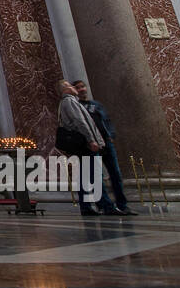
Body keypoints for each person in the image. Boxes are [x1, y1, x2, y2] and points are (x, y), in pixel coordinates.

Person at [74, 79, 136, 216]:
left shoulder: (96, 105)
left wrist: (111, 136)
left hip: (106, 143)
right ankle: (105, 205)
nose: (82, 89)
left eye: (82, 86)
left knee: (116, 174)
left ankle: (122, 205)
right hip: (89, 145)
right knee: (96, 176)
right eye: (78, 88)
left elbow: (107, 120)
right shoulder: (75, 106)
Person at [57, 80, 105, 216]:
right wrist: (91, 140)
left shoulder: (70, 101)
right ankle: (98, 204)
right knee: (91, 174)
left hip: (82, 143)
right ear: (65, 89)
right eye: (71, 86)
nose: (74, 88)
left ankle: (90, 205)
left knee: (86, 174)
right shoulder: (69, 102)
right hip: (83, 142)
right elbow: (80, 122)